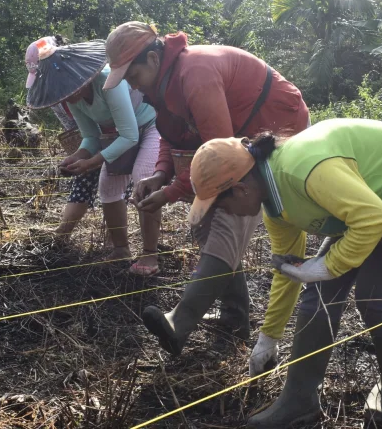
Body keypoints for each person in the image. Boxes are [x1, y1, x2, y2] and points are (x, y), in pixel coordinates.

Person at [185, 118, 382, 428]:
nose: (223, 216)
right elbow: (288, 270)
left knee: (375, 294)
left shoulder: (303, 169)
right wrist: (269, 336)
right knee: (318, 293)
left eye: (218, 208)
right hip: (371, 201)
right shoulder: (274, 205)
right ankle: (299, 400)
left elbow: (372, 219)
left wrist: (326, 266)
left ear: (240, 189)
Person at [102, 21, 310, 354]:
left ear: (153, 60)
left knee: (227, 211)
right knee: (208, 222)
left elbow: (221, 153)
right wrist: (159, 174)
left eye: (132, 75)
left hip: (276, 132)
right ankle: (235, 318)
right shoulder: (164, 83)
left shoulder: (195, 74)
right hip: (237, 141)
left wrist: (171, 192)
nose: (132, 85)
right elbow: (174, 134)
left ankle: (179, 323)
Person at [26, 39, 162, 275]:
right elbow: (90, 137)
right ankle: (121, 249)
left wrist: (92, 162)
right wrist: (77, 157)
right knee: (107, 188)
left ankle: (150, 254)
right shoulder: (72, 97)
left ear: (78, 79)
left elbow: (129, 135)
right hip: (119, 135)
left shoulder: (108, 82)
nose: (63, 96)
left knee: (143, 181)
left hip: (148, 126)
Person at [25, 36, 93, 240]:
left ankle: (113, 241)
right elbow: (74, 128)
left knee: (112, 183)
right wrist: (78, 156)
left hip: (116, 135)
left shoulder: (89, 79)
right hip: (90, 139)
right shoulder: (55, 98)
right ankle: (63, 234)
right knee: (84, 177)